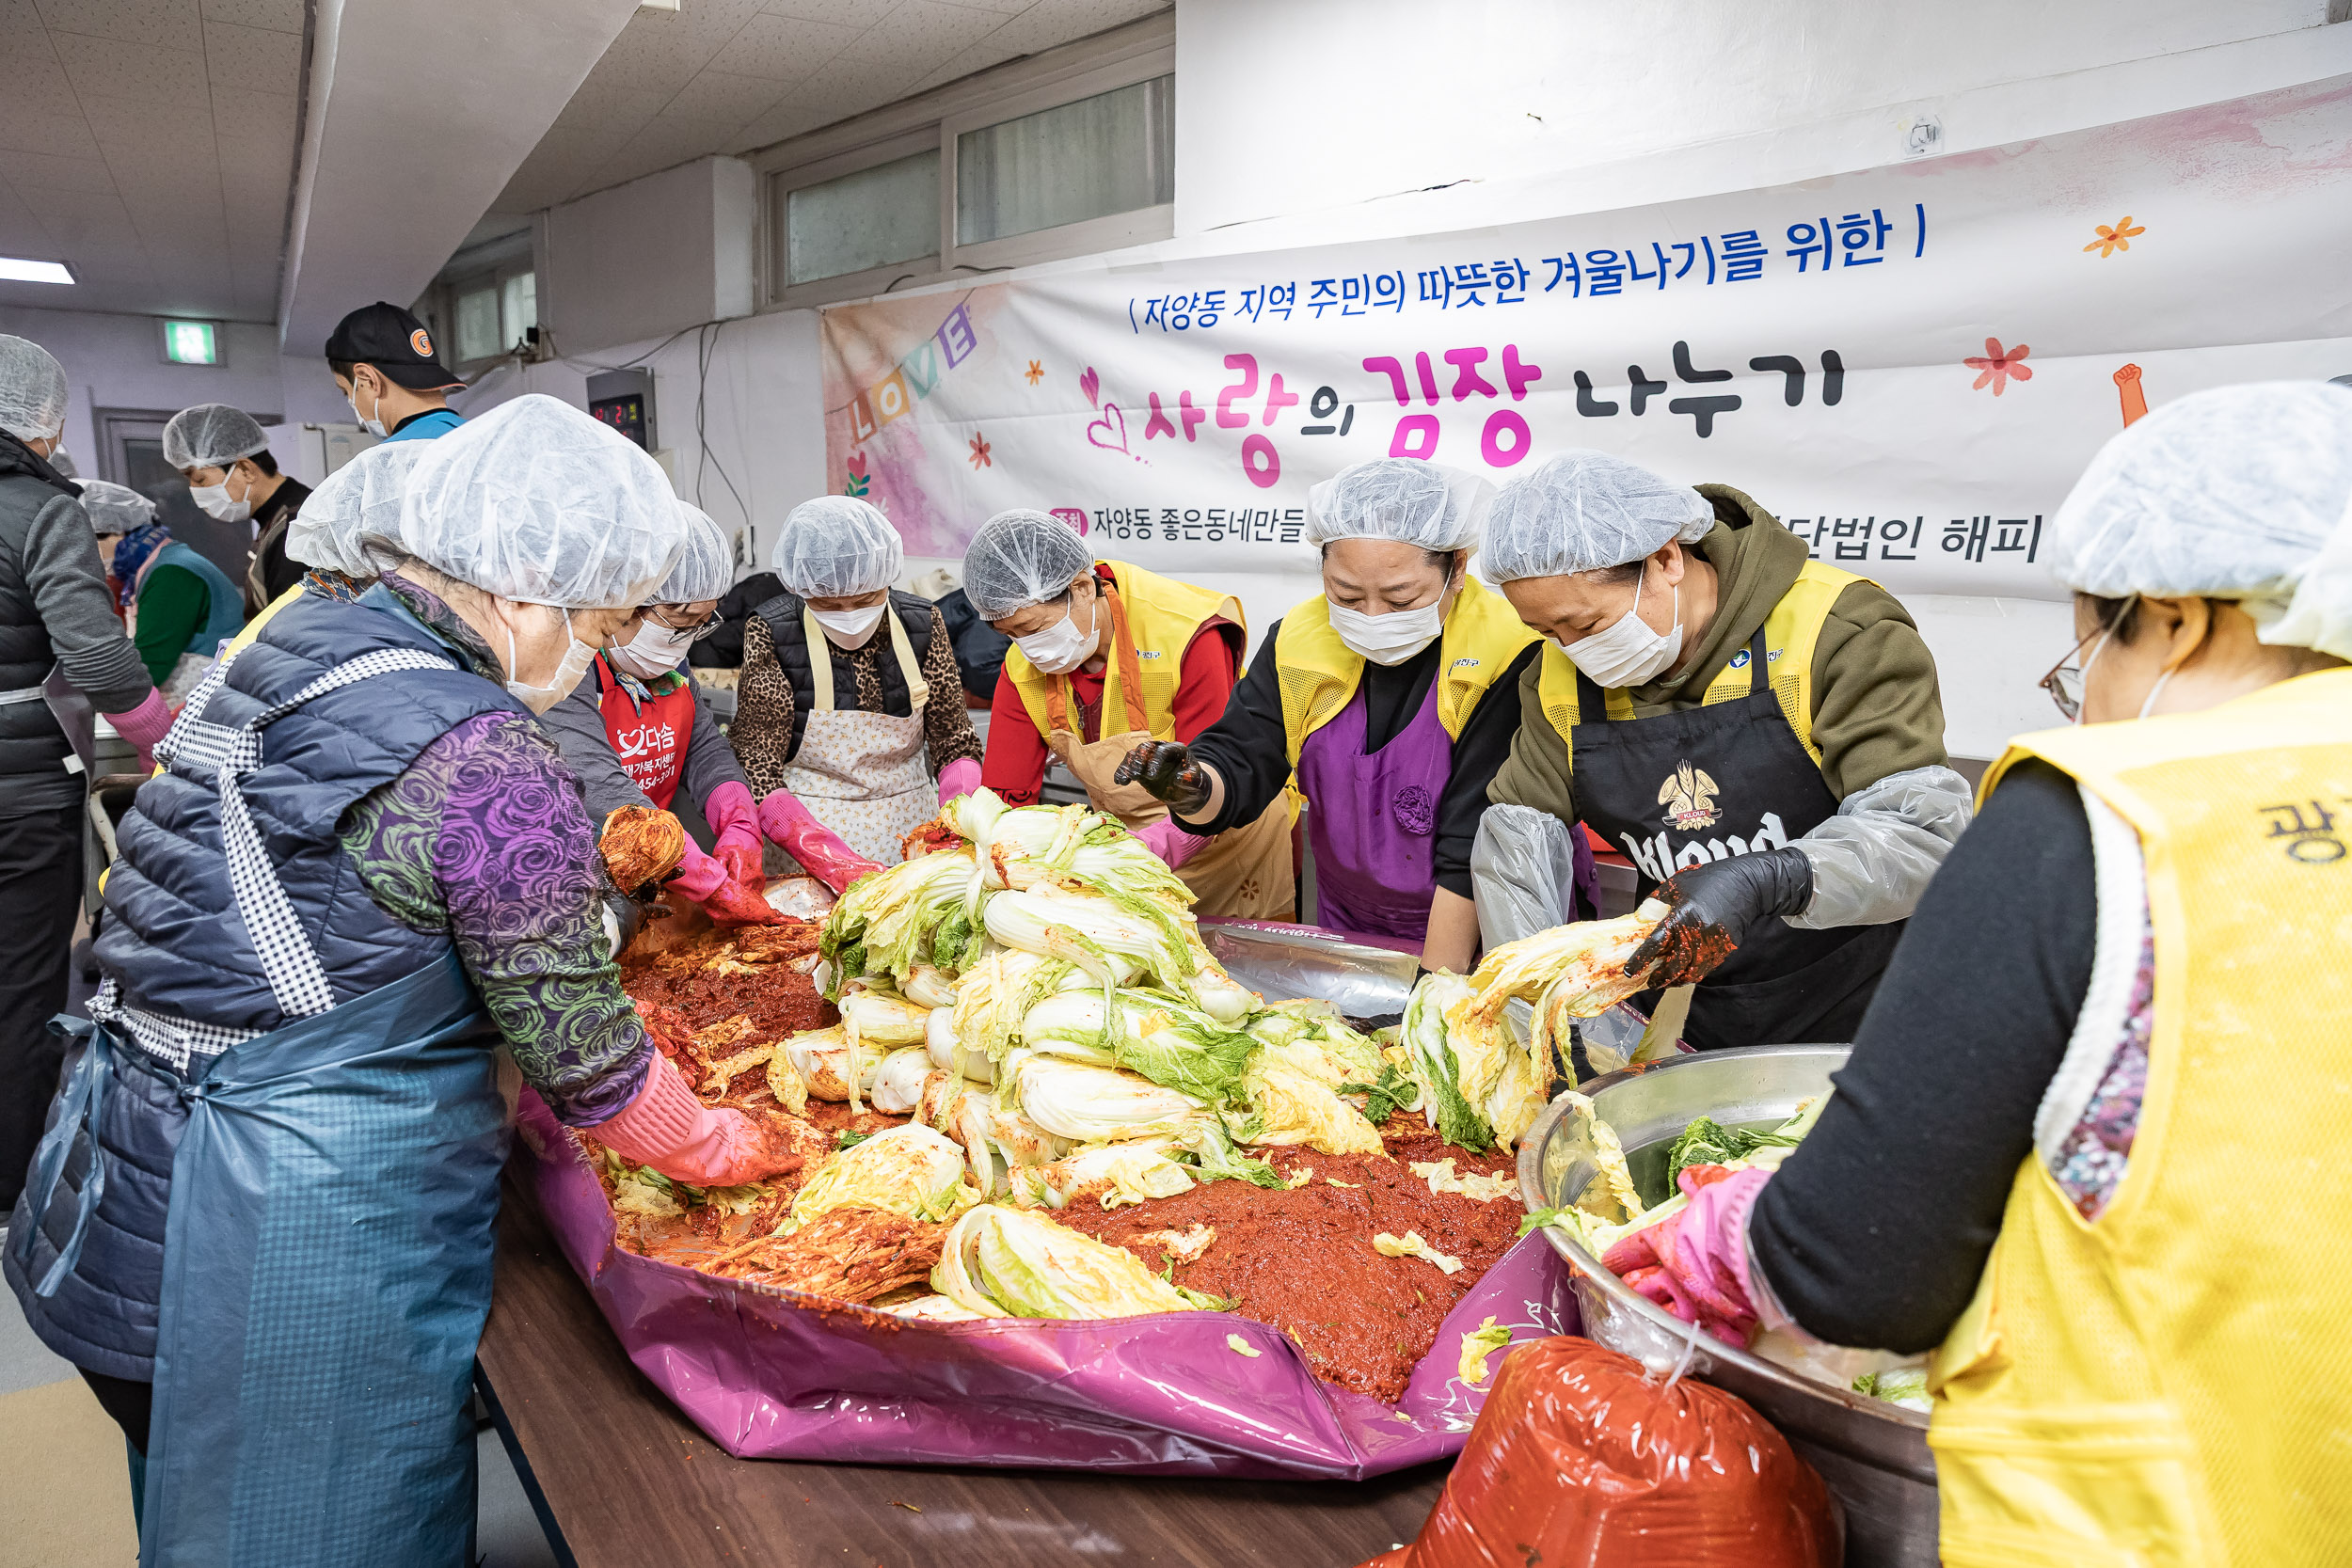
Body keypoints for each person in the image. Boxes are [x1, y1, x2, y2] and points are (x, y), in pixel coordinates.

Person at [4, 393, 802, 1559]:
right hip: (270, 1215)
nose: (595, 646)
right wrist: (719, 1143)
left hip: (117, 1172)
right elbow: (583, 1049)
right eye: (601, 616)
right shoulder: (478, 746)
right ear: (523, 588)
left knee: (186, 1489)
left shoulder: (291, 650)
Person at [1599, 382, 2352, 1566]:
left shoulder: (2107, 817)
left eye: (2087, 644)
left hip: (2157, 1522)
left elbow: (1857, 1269)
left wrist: (1737, 1235)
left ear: (2174, 619)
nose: (2088, 689)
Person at [1475, 451, 1968, 1051]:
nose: (1571, 650)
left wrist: (1769, 877)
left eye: (1587, 624)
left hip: (1860, 1004)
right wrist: (1541, 1017)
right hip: (1679, 1013)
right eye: (1546, 631)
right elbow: (1515, 846)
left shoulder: (1837, 631)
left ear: (1666, 559)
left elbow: (1919, 835)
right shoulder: (1557, 680)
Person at [1119, 459, 1540, 969]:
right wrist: (1191, 784)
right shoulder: (1299, 639)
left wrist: (1436, 993)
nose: (1372, 617)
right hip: (1350, 915)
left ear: (1457, 570)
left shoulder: (1508, 651)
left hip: (1478, 922)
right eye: (1346, 595)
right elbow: (1243, 758)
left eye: (1401, 599)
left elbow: (1476, 838)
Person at [0, 337, 170, 1212]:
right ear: (48, 423)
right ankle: (15, 1178)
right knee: (23, 979)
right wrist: (160, 738)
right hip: (18, 786)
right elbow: (97, 655)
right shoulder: (35, 505)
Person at [970, 511, 1295, 920]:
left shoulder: (1187, 633)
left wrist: (1142, 852)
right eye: (1010, 635)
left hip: (1231, 836)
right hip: (1125, 848)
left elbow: (1216, 772)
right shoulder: (1022, 667)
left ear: (1083, 588)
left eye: (1034, 628)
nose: (1027, 648)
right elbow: (1007, 796)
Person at [727, 496, 984, 888]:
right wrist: (812, 844)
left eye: (865, 600)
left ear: (886, 578)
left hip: (913, 827)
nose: (849, 616)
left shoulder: (922, 622)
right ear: (803, 589)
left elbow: (955, 740)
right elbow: (756, 761)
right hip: (808, 832)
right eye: (828, 603)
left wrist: (959, 811)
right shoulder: (773, 631)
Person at [541, 506, 776, 922]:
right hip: (571, 886)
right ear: (625, 600)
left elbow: (703, 748)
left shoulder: (665, 661)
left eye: (701, 623)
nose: (683, 640)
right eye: (680, 620)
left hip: (650, 878)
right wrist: (703, 875)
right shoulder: (563, 667)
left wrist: (738, 818)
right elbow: (596, 783)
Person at [161, 403, 311, 612]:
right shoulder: (275, 521)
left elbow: (294, 626)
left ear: (245, 469)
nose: (195, 491)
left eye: (200, 479)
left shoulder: (295, 525)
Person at [325, 300, 465, 444]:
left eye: (346, 391)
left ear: (369, 379)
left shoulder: (386, 461)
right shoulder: (481, 439)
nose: (351, 400)